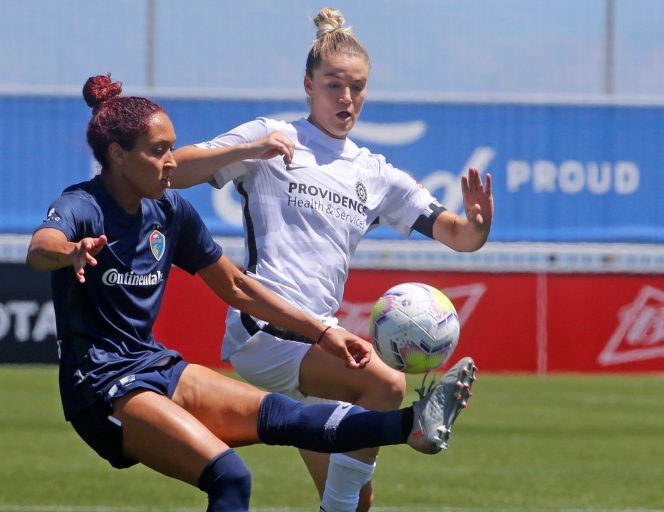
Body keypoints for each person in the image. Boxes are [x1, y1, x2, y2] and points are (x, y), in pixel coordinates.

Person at [25, 74, 477, 512]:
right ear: (118, 155)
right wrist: (71, 251)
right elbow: (40, 247)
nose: (170, 161)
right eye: (159, 151)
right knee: (231, 477)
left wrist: (323, 333)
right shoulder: (82, 205)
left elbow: (239, 286)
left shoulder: (170, 210)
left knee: (286, 418)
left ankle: (414, 425)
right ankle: (410, 425)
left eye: (170, 148)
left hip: (153, 365)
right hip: (101, 386)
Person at [172, 7, 493, 512]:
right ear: (309, 85)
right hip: (266, 329)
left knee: (354, 501)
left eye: (357, 88)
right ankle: (407, 431)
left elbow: (458, 235)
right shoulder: (274, 136)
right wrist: (252, 150)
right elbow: (173, 170)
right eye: (334, 85)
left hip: (321, 340)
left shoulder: (373, 172)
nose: (347, 98)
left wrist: (477, 226)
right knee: (386, 382)